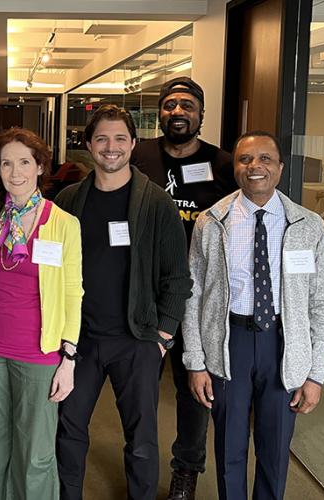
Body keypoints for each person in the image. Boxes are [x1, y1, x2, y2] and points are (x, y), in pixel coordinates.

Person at [182, 131, 324, 500]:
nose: (255, 167)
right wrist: (196, 362)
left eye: (265, 159)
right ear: (234, 167)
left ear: (280, 168)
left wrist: (316, 372)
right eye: (245, 159)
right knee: (229, 446)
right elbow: (194, 294)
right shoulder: (210, 222)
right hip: (229, 342)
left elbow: (323, 303)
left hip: (284, 344)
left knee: (275, 448)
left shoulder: (309, 226)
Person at [55, 104, 192, 500]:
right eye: (101, 138)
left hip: (137, 339)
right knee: (69, 429)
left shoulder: (156, 204)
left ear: (133, 144)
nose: (110, 147)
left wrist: (163, 336)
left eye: (119, 139)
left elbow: (178, 277)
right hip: (79, 341)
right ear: (88, 145)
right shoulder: (68, 200)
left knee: (143, 438)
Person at [0, 127, 83, 500]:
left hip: (38, 352)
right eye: (6, 164)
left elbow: (72, 292)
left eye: (24, 163)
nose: (15, 173)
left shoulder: (62, 223)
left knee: (36, 453)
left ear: (40, 166)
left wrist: (69, 357)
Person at [130, 76, 236, 499]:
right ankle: (140, 464)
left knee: (195, 391)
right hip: (145, 294)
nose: (178, 112)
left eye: (187, 105)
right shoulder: (138, 156)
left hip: (201, 297)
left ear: (201, 114)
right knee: (138, 389)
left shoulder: (225, 164)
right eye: (170, 105)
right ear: (161, 111)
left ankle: (185, 473)